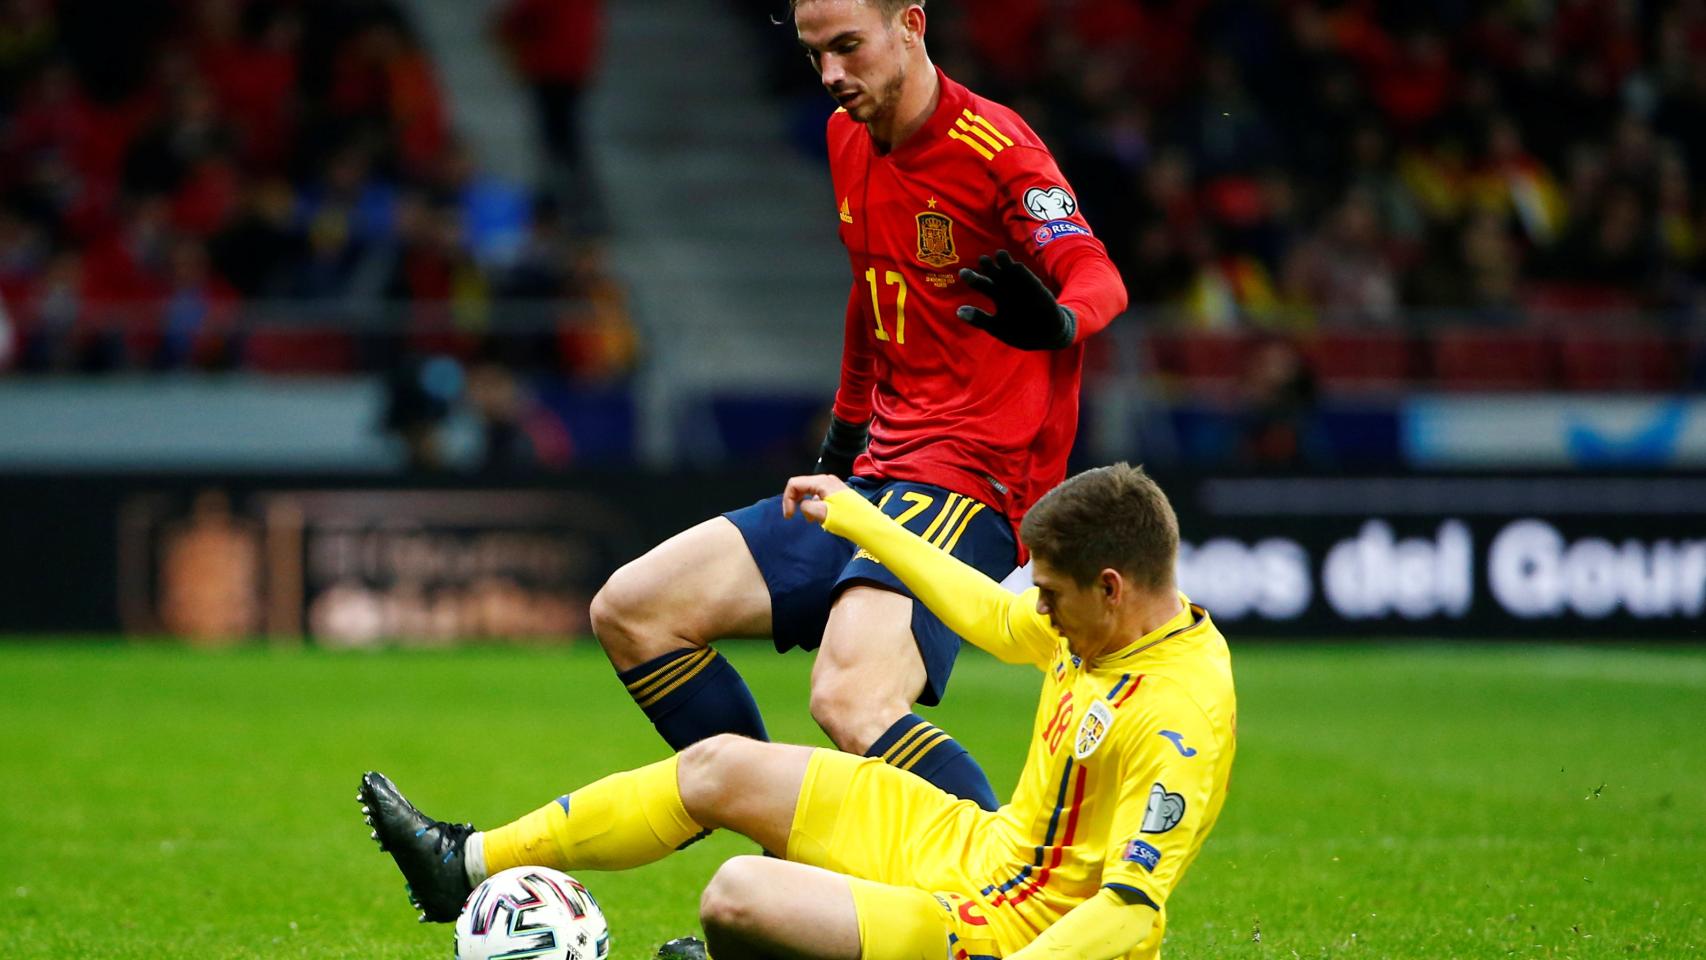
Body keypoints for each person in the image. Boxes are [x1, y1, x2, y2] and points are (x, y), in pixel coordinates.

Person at [587, 0, 1128, 812]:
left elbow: (1097, 274)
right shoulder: (848, 137)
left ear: (910, 24)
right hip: (878, 472)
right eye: (815, 56)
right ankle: (780, 839)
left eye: (848, 47)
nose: (833, 75)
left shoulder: (996, 148)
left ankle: (1002, 906)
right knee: (632, 611)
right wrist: (842, 441)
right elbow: (874, 290)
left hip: (970, 479)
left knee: (851, 699)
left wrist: (1056, 320)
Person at [360, 463, 1236, 960]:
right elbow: (987, 613)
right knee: (718, 767)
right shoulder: (1094, 632)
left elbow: (1132, 910)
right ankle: (460, 865)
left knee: (737, 897)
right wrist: (865, 524)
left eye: (1050, 593)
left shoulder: (1177, 715)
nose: (1037, 609)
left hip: (1020, 925)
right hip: (982, 850)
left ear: (1112, 588)